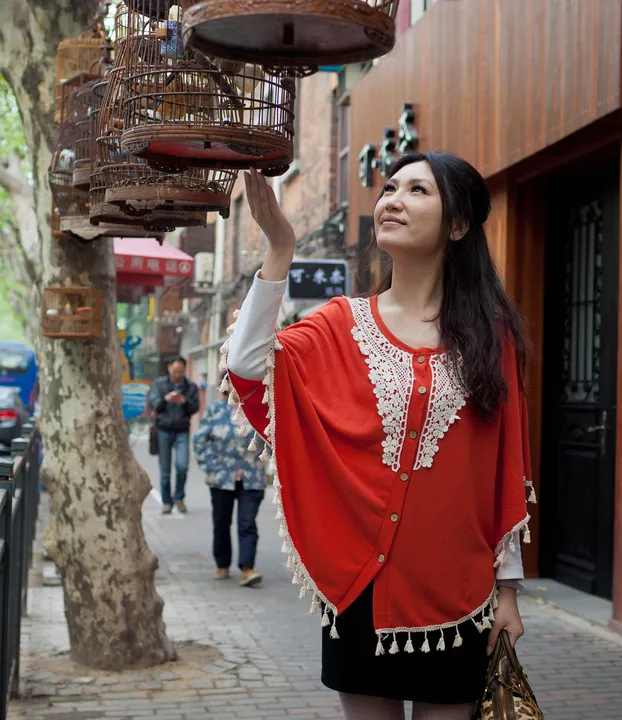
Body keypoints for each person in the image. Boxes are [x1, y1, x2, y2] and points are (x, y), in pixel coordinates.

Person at [223, 155, 534, 719]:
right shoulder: (339, 322)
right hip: (358, 586)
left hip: (458, 594)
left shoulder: (491, 338)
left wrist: (508, 592)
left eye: (418, 190)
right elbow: (247, 364)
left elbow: (503, 471)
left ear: (458, 225)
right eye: (390, 187)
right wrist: (279, 249)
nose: (392, 199)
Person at [193, 381, 267, 586]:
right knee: (221, 522)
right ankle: (222, 563)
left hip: (252, 478)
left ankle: (247, 568)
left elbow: (271, 440)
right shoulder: (215, 411)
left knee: (247, 523)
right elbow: (199, 441)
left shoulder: (258, 409)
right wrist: (211, 467)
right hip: (222, 478)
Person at [149, 356, 200, 515]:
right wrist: (166, 399)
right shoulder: (159, 384)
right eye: (175, 371)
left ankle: (179, 497)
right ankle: (166, 502)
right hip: (163, 430)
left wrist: (184, 401)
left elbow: (195, 408)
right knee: (165, 470)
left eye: (181, 371)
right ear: (169, 368)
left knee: (182, 466)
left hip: (182, 431)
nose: (178, 375)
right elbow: (154, 403)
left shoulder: (190, 386)